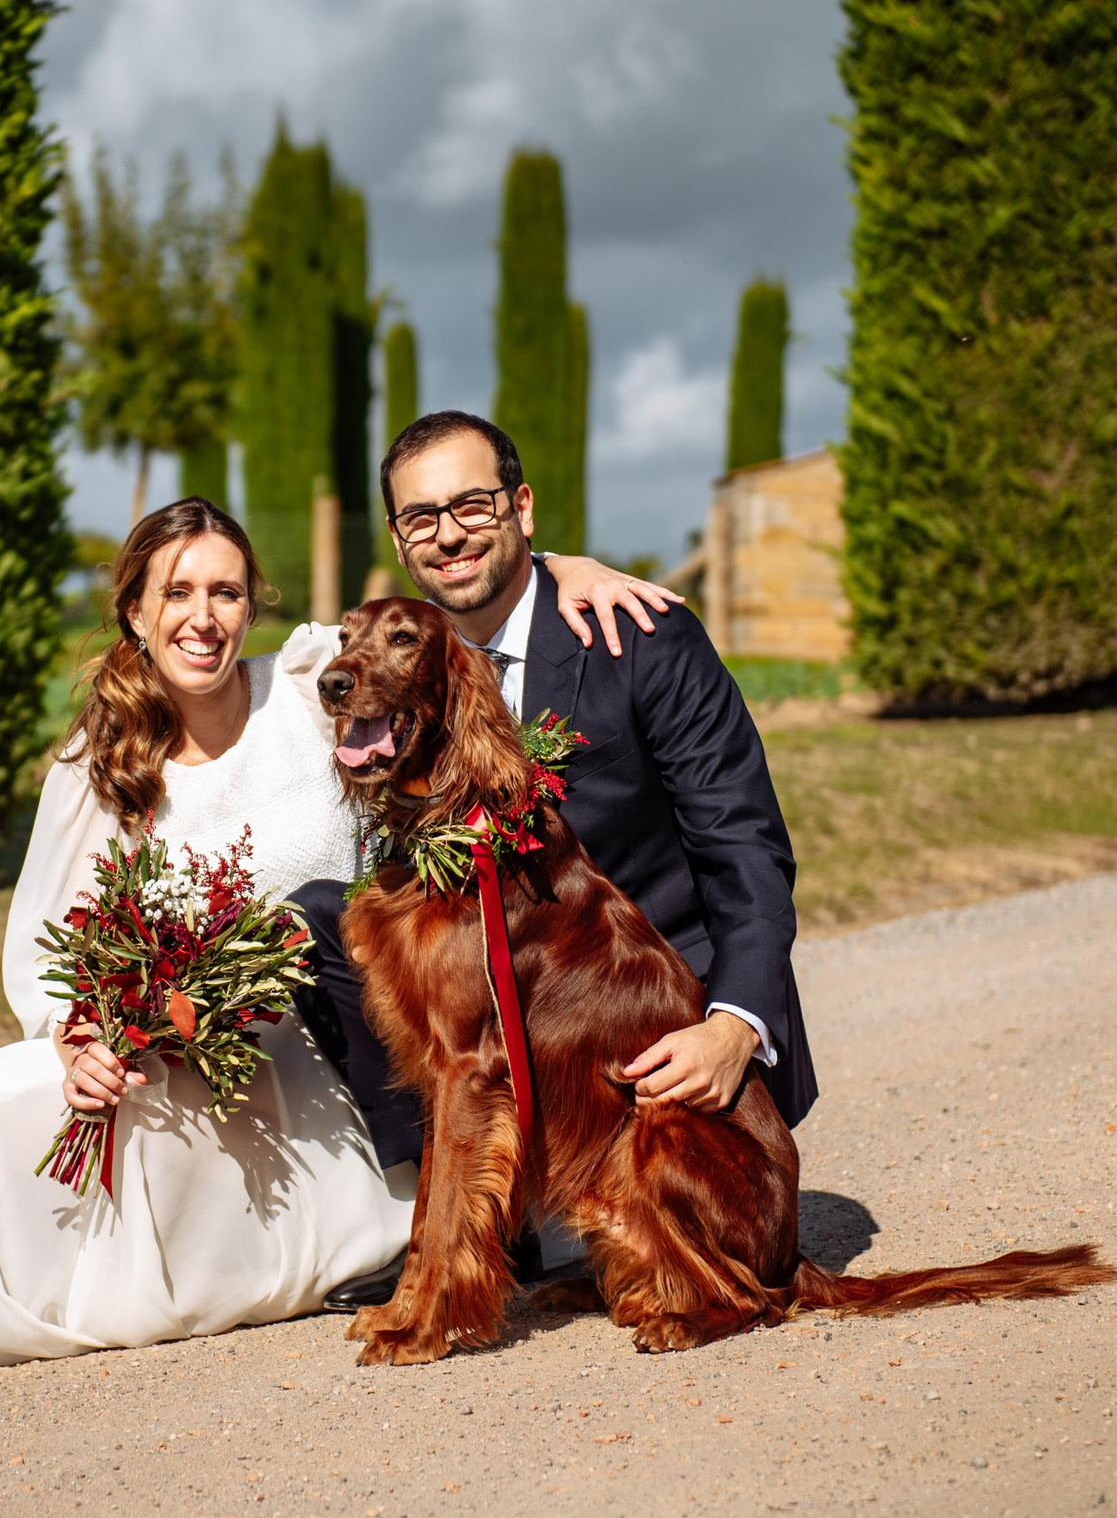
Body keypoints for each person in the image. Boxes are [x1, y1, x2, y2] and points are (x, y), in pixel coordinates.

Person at [0, 496, 676, 1375]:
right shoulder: (99, 764)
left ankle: (416, 1217)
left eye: (227, 592)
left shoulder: (313, 685)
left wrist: (558, 569)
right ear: (136, 610)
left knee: (316, 910)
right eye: (178, 592)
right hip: (190, 1055)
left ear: (252, 606)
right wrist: (78, 1037)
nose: (203, 617)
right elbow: (52, 945)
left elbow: (438, 628)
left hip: (350, 1061)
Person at [295, 410, 814, 1314]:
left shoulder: (639, 635)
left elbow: (747, 843)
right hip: (507, 1017)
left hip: (647, 1032)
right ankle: (476, 1223)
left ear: (522, 507)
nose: (449, 532)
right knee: (330, 914)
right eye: (421, 516)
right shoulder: (398, 655)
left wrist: (732, 1027)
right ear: (398, 540)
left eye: (472, 504)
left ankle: (516, 1221)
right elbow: (236, 658)